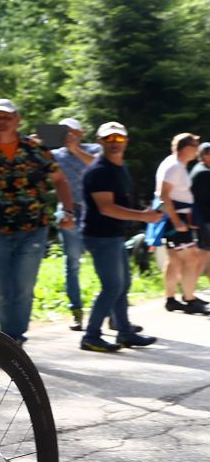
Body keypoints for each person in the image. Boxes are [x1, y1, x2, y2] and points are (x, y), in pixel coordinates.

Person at [0, 99, 74, 345]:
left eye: (6, 116)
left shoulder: (35, 148)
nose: (1, 121)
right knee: (0, 290)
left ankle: (14, 338)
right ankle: (7, 333)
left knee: (22, 288)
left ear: (18, 119)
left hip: (33, 228)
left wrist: (68, 211)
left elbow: (60, 180)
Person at [78, 122, 160, 352]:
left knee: (123, 284)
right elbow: (107, 208)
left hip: (114, 235)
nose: (114, 143)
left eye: (119, 139)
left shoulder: (119, 166)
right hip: (100, 236)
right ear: (100, 141)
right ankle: (91, 336)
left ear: (126, 141)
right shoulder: (100, 170)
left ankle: (125, 333)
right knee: (112, 286)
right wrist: (144, 216)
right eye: (109, 139)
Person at [50, 118, 101, 330]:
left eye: (72, 132)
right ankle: (76, 311)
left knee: (104, 261)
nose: (68, 135)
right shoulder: (54, 154)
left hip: (95, 212)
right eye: (64, 132)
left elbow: (101, 166)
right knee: (72, 263)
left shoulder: (95, 149)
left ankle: (111, 312)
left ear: (81, 133)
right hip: (69, 212)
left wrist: (75, 149)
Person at [154, 132, 208, 314]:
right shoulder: (175, 167)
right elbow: (163, 194)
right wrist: (177, 222)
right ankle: (190, 300)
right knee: (191, 259)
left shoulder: (173, 164)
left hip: (175, 217)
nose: (197, 151)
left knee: (175, 260)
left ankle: (171, 299)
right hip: (175, 219)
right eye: (195, 146)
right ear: (187, 148)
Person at [189, 142, 210, 287]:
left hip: (202, 221)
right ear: (201, 156)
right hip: (205, 222)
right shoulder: (204, 173)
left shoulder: (200, 169)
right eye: (207, 153)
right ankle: (188, 293)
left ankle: (188, 292)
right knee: (202, 258)